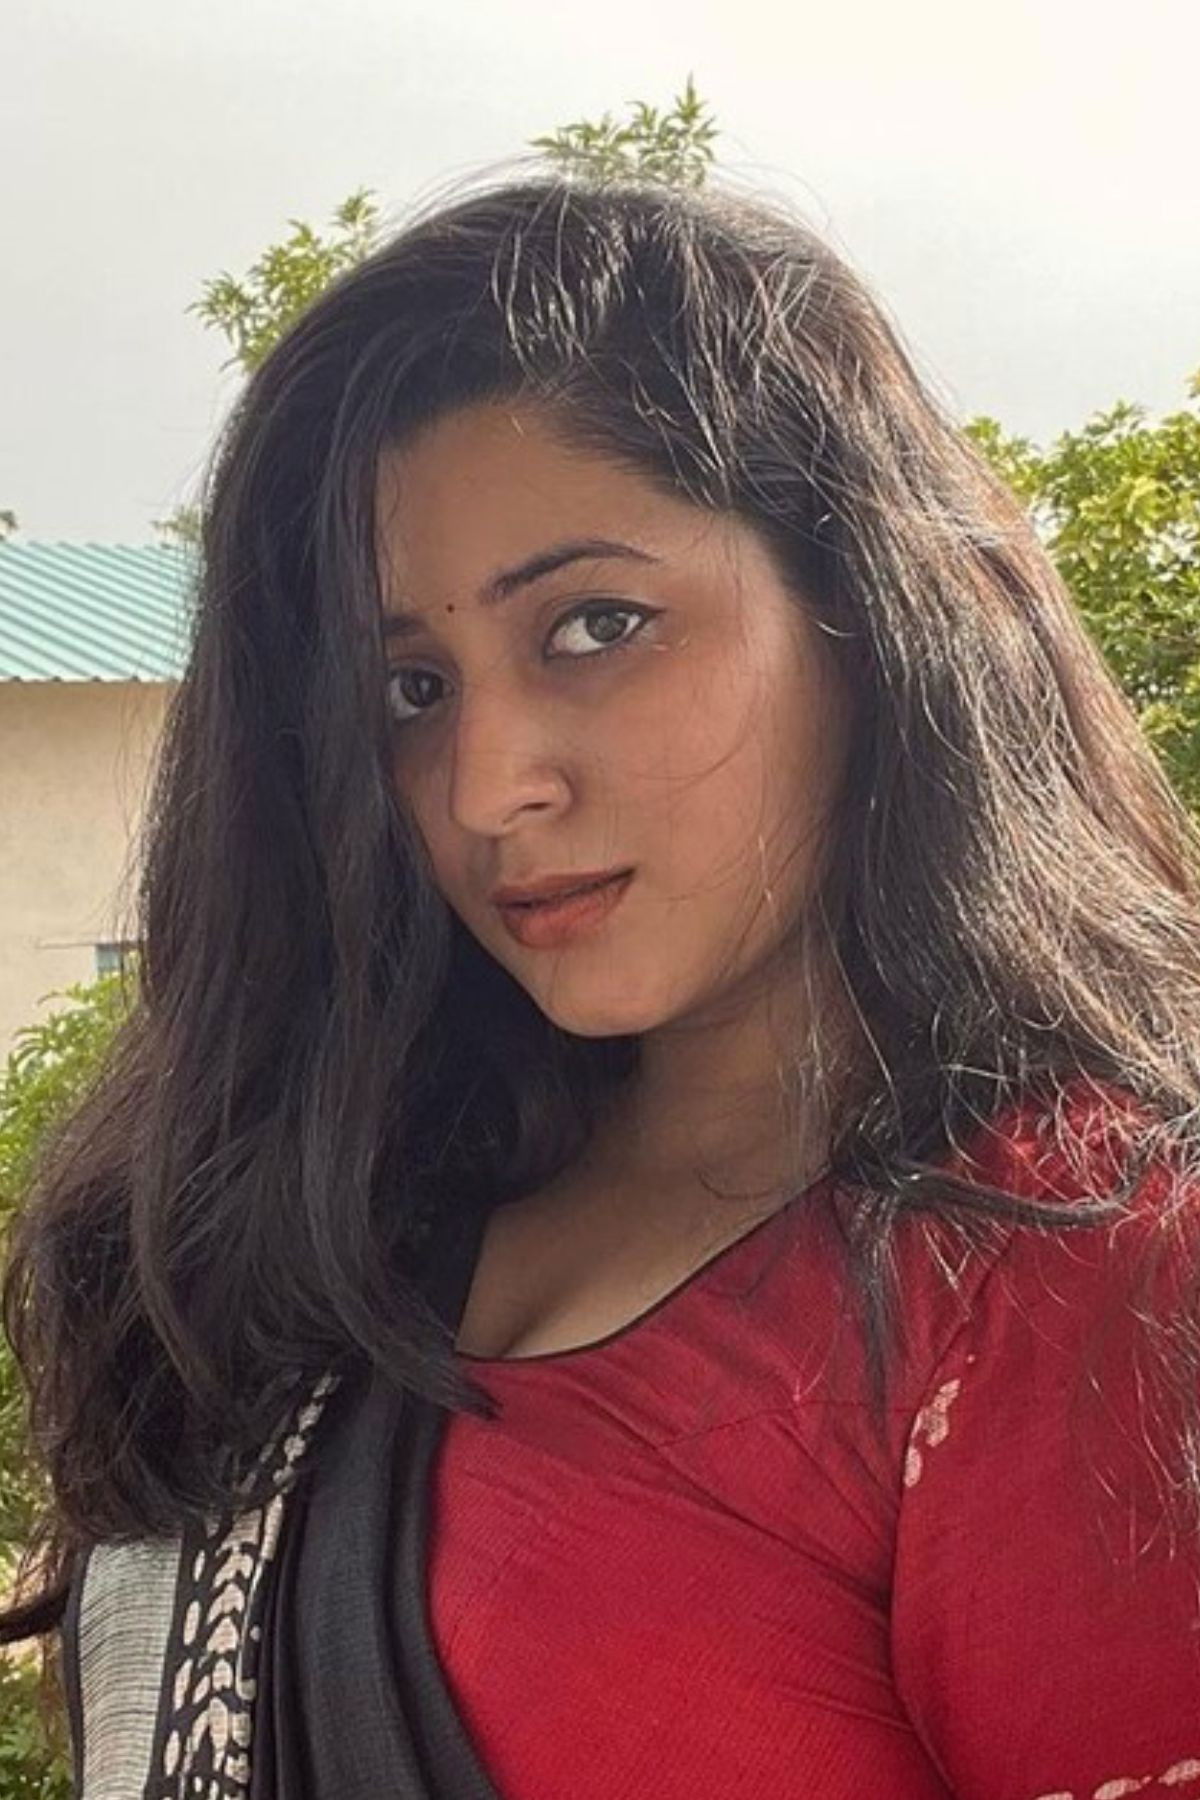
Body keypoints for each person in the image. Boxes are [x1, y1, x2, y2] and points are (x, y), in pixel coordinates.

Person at [3, 170, 1200, 1799]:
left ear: (864, 612)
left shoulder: (1071, 1277)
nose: (489, 785)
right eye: (409, 689)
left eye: (596, 625)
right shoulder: (332, 1212)